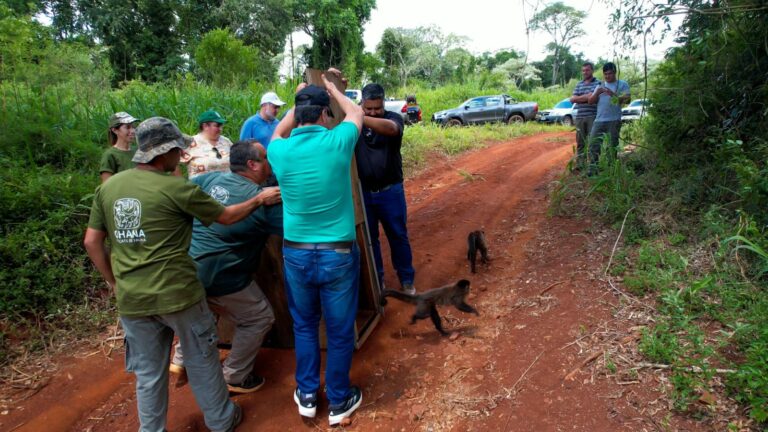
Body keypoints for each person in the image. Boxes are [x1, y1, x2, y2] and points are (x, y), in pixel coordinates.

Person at [83, 117, 274, 432]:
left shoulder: (109, 188)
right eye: (178, 149)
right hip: (178, 294)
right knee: (203, 362)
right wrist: (259, 198)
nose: (182, 155)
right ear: (164, 152)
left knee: (148, 374)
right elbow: (226, 217)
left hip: (133, 299)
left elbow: (92, 241)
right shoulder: (177, 188)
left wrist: (114, 283)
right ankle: (222, 421)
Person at [267, 73, 364, 426]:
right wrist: (334, 91)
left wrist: (299, 102)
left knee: (305, 326)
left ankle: (307, 395)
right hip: (338, 253)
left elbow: (277, 131)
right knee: (339, 331)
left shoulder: (279, 151)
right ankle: (339, 401)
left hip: (296, 253)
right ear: (325, 115)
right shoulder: (338, 141)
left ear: (298, 114)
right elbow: (356, 114)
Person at [169, 139, 282, 394]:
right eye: (265, 158)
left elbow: (181, 196)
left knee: (206, 308)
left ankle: (181, 359)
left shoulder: (208, 180)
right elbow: (297, 229)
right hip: (223, 275)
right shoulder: (263, 201)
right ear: (252, 165)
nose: (269, 163)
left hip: (189, 268)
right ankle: (235, 375)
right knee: (259, 317)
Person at [354, 83, 416, 295]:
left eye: (376, 109)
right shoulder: (353, 121)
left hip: (391, 191)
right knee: (370, 241)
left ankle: (407, 280)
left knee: (398, 235)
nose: (372, 112)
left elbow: (391, 130)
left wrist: (358, 116)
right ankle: (377, 282)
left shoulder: (393, 119)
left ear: (383, 104)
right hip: (364, 194)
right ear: (361, 103)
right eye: (367, 108)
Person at [587, 62, 631, 174]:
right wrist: (596, 92)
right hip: (599, 120)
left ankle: (611, 171)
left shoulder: (622, 84)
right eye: (605, 74)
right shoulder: (600, 85)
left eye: (610, 73)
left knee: (612, 146)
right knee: (593, 144)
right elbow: (590, 101)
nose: (607, 76)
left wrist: (613, 94)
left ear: (615, 72)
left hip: (614, 120)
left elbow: (627, 99)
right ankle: (593, 169)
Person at [182, 109, 233, 178]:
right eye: (217, 125)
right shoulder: (191, 142)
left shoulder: (226, 141)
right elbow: (174, 163)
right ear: (205, 126)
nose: (220, 129)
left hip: (227, 185)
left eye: (221, 126)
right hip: (200, 187)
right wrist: (181, 183)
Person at [569, 62, 601, 170]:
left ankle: (593, 165)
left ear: (592, 70)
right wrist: (586, 97)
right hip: (580, 117)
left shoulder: (598, 83)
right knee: (580, 142)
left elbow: (594, 99)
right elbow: (572, 99)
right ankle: (580, 165)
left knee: (593, 142)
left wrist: (582, 98)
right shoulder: (579, 84)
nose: (585, 72)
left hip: (593, 116)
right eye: (583, 70)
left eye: (587, 70)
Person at [99, 112, 139, 183]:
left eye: (133, 127)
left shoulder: (138, 151)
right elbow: (107, 185)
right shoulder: (110, 155)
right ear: (115, 130)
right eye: (127, 127)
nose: (132, 131)